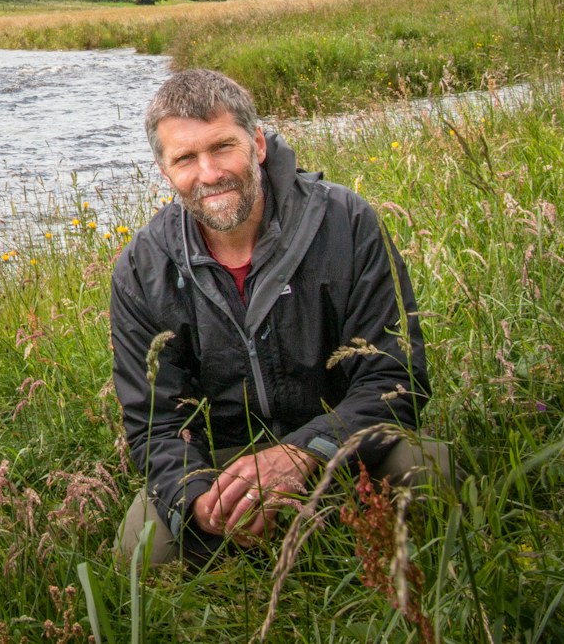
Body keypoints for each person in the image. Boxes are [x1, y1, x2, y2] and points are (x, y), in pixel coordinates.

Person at [111, 68, 439, 566]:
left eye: (223, 147)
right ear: (165, 171)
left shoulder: (347, 223)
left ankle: (349, 553)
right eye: (185, 158)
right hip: (224, 466)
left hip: (341, 446)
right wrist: (200, 500)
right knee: (140, 551)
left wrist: (303, 454)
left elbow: (395, 377)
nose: (209, 173)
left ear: (258, 144)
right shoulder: (142, 268)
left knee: (428, 471)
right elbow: (155, 424)